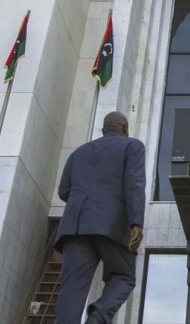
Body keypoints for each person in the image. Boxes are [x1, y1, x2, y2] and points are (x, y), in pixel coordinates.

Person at [54, 111, 146, 324]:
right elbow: (134, 184)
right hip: (112, 224)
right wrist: (136, 222)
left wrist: (84, 203)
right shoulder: (132, 146)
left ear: (104, 130)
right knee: (124, 277)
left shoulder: (78, 153)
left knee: (72, 289)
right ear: (125, 127)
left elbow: (64, 191)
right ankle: (97, 319)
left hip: (76, 227)